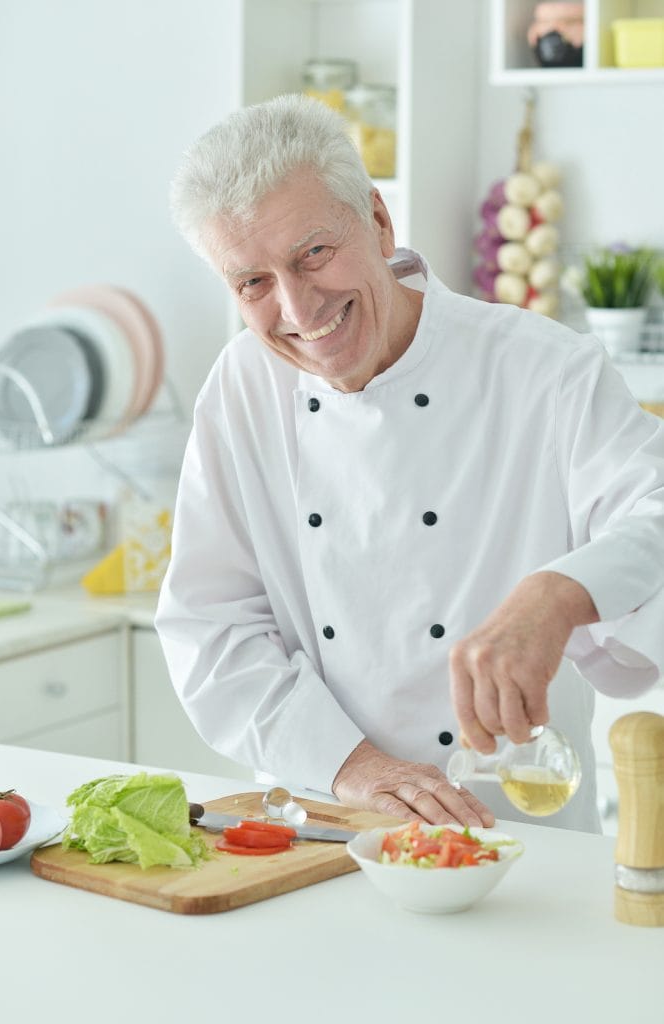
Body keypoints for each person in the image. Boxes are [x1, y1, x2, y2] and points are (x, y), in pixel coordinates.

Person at [155, 94, 664, 832]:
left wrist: (559, 593)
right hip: (320, 826)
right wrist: (356, 768)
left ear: (378, 220)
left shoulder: (543, 369)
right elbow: (209, 628)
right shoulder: (241, 387)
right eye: (254, 283)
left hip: (515, 836)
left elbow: (656, 510)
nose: (299, 310)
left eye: (314, 254)